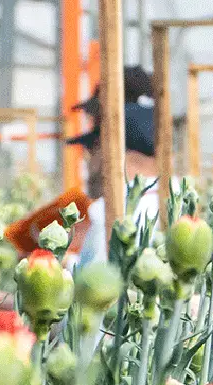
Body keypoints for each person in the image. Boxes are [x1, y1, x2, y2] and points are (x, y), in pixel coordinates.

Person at [66, 65, 162, 266]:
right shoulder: (183, 203)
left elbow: (95, 288)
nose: (86, 160)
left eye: (92, 148)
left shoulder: (110, 214)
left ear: (111, 148)